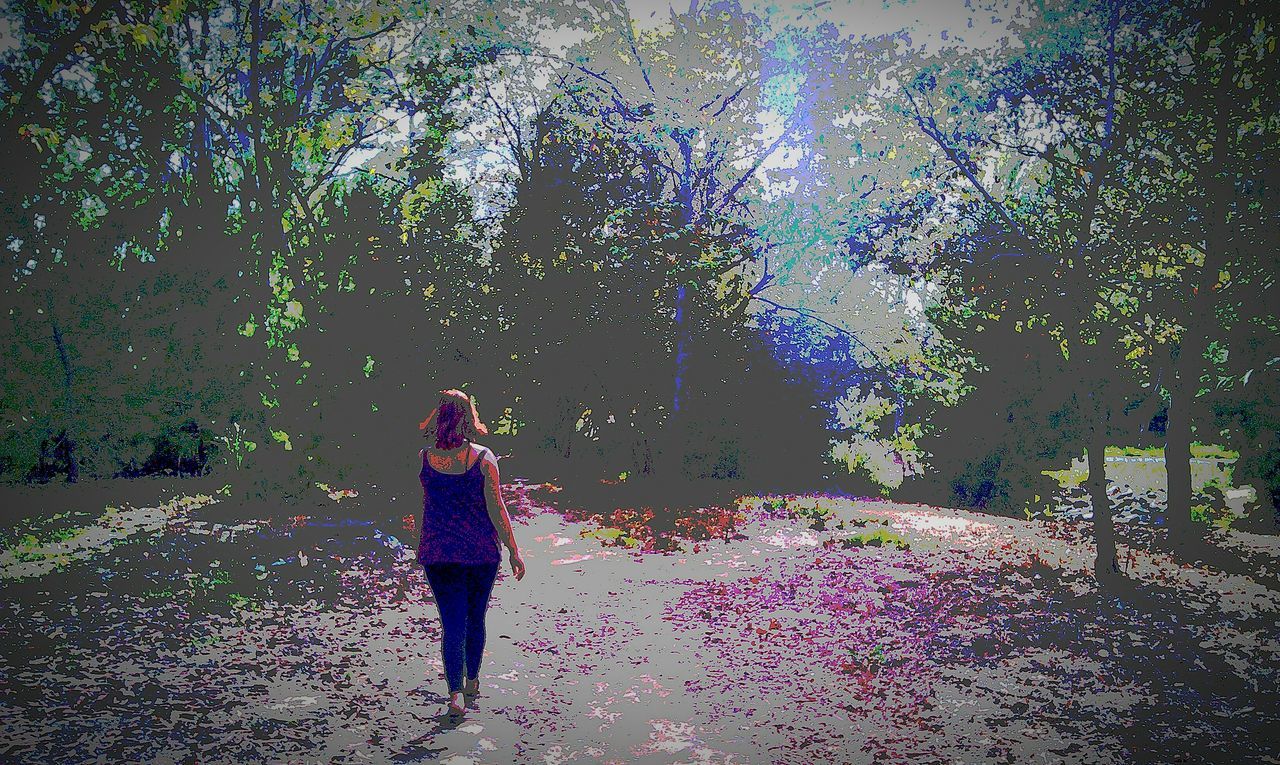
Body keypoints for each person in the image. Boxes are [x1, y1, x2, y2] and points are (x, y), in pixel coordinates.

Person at [416, 389, 525, 719]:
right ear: (469, 417)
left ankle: (454, 693)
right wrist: (513, 549)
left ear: (438, 416)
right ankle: (472, 680)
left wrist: (416, 543)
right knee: (475, 618)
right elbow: (497, 507)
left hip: (438, 554)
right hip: (479, 553)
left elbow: (417, 507)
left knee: (452, 624)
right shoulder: (482, 458)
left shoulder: (423, 458)